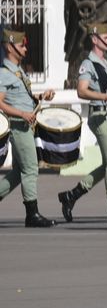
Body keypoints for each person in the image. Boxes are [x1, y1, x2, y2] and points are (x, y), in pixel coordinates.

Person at [59, 23, 107, 223]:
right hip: (99, 115)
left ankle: (72, 195)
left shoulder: (105, 64)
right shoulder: (89, 64)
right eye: (105, 36)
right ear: (95, 39)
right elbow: (81, 90)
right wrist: (104, 96)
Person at [0, 29, 57, 227]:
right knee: (31, 167)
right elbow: (0, 103)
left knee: (18, 172)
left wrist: (42, 97)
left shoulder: (18, 71)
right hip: (18, 126)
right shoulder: (4, 73)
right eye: (21, 45)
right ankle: (32, 214)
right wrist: (22, 114)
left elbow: (24, 97)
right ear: (9, 47)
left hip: (25, 125)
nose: (25, 48)